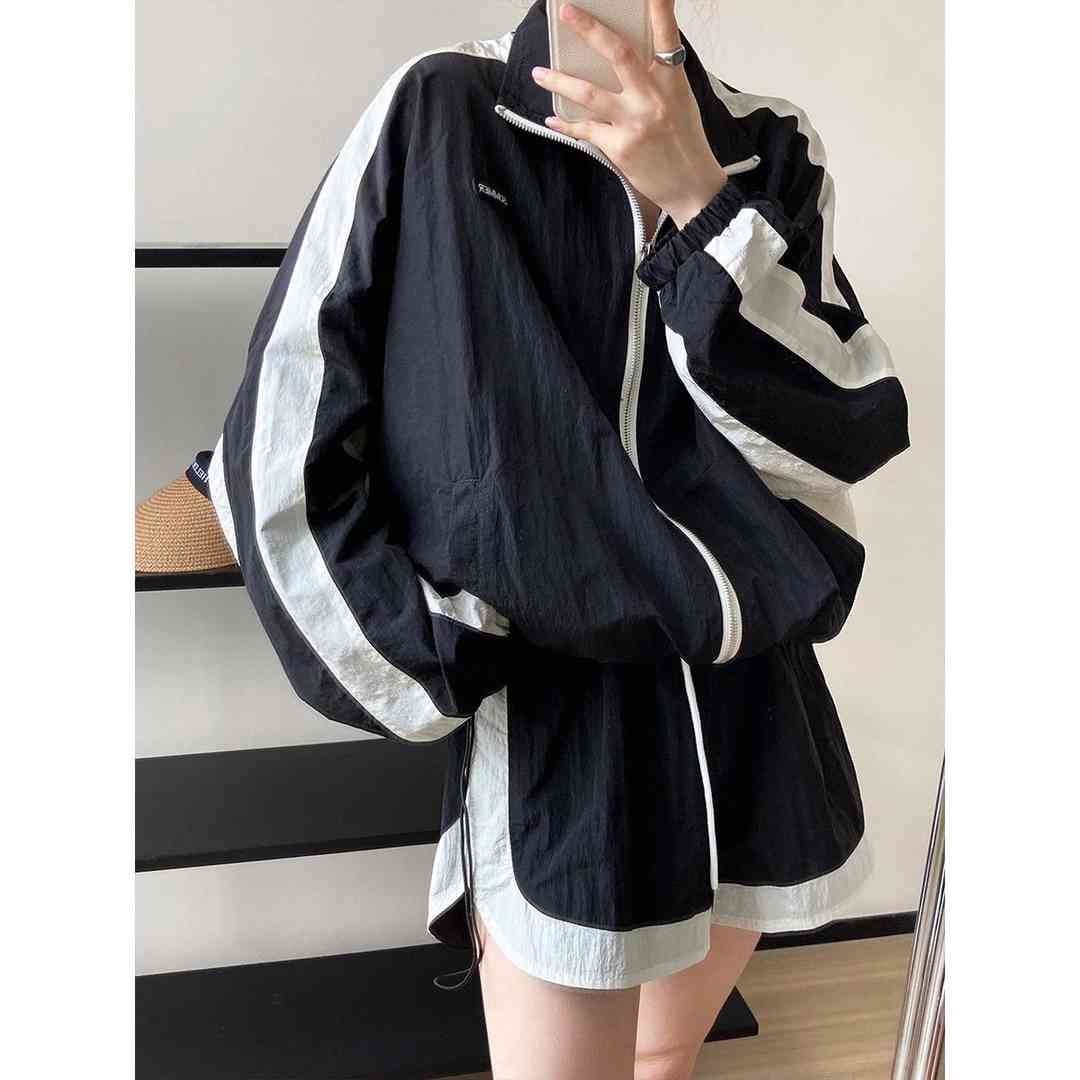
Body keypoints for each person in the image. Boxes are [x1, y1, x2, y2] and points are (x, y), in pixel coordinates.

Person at [206, 1, 910, 1076]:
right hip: (560, 724)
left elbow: (842, 425)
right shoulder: (441, 110)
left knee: (666, 1060)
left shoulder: (768, 144)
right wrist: (438, 655)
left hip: (755, 698)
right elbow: (285, 424)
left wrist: (700, 200)